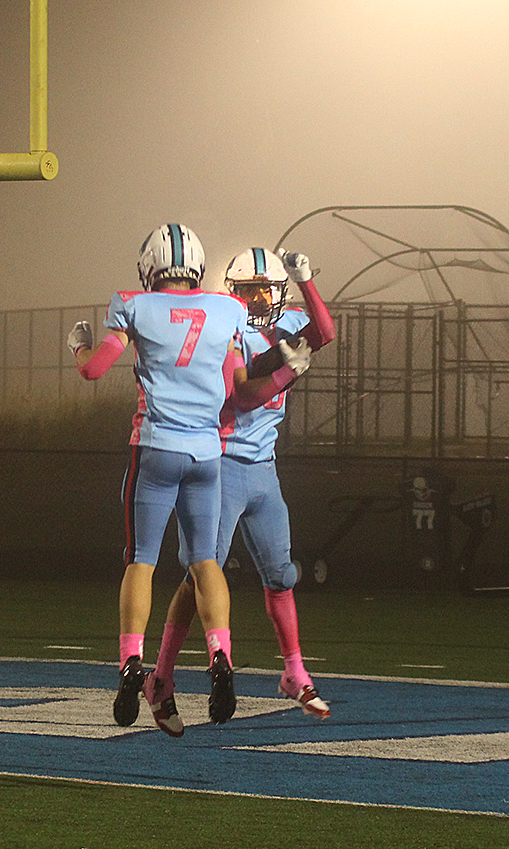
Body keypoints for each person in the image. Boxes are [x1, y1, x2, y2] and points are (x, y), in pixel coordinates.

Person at [143, 246, 337, 737]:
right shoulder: (224, 326)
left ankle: (293, 672)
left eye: (265, 289)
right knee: (199, 574)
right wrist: (285, 372)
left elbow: (325, 333)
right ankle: (161, 676)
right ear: (233, 294)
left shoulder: (284, 319)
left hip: (263, 471)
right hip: (223, 463)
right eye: (247, 291)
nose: (256, 300)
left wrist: (307, 280)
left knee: (281, 573)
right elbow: (241, 394)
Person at [66, 223, 248, 728]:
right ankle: (220, 656)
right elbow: (240, 388)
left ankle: (130, 663)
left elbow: (95, 370)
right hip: (207, 454)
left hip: (156, 448)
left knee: (141, 561)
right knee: (206, 562)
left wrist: (79, 345)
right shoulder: (228, 310)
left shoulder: (134, 304)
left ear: (150, 267)